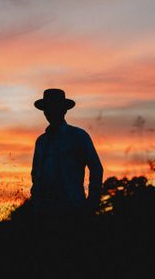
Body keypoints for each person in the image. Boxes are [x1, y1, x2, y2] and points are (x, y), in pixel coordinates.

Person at [31, 88, 103, 220]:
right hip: (46, 213)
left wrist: (92, 202)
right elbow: (36, 176)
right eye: (48, 108)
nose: (51, 111)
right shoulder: (41, 141)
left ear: (64, 110)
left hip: (74, 209)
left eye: (55, 107)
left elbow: (96, 168)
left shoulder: (79, 136)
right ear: (44, 112)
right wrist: (36, 206)